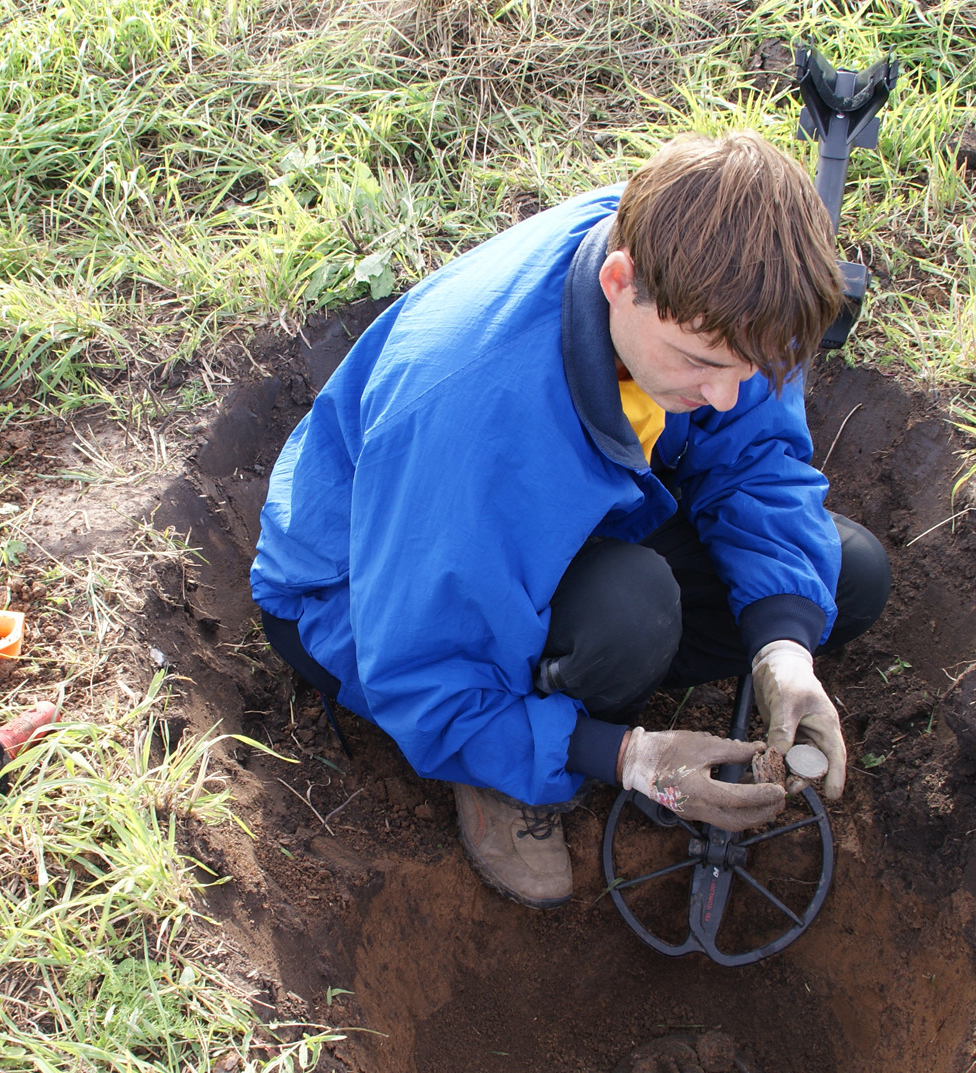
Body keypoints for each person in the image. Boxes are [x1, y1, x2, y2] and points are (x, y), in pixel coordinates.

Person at [250, 131, 891, 908]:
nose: (728, 393)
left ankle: (591, 680)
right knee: (632, 612)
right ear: (620, 283)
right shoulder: (475, 415)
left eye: (753, 368)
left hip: (542, 514)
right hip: (362, 595)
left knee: (845, 576)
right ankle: (502, 771)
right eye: (701, 364)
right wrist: (627, 755)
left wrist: (783, 650)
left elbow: (756, 459)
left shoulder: (712, 295)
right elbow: (421, 671)